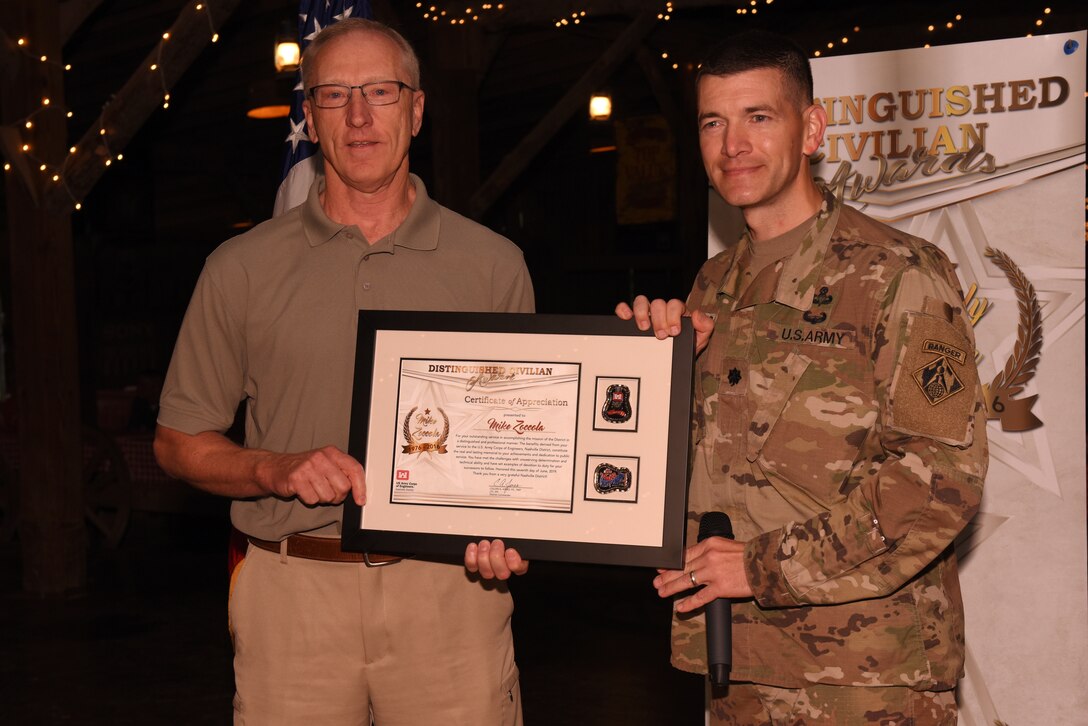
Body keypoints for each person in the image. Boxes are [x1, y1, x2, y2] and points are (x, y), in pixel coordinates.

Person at [154, 18, 531, 725]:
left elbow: (516, 449)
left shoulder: (493, 266)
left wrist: (514, 535)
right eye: (334, 94)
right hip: (292, 594)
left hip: (448, 594)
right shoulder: (240, 269)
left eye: (381, 92)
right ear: (311, 115)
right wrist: (273, 469)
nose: (359, 116)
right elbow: (178, 442)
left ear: (416, 110)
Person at [617, 30, 988, 725]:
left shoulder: (900, 274)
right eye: (713, 122)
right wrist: (640, 371)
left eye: (759, 117)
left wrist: (757, 569)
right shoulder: (711, 285)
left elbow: (939, 479)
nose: (734, 145)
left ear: (811, 128)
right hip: (734, 662)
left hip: (863, 680)